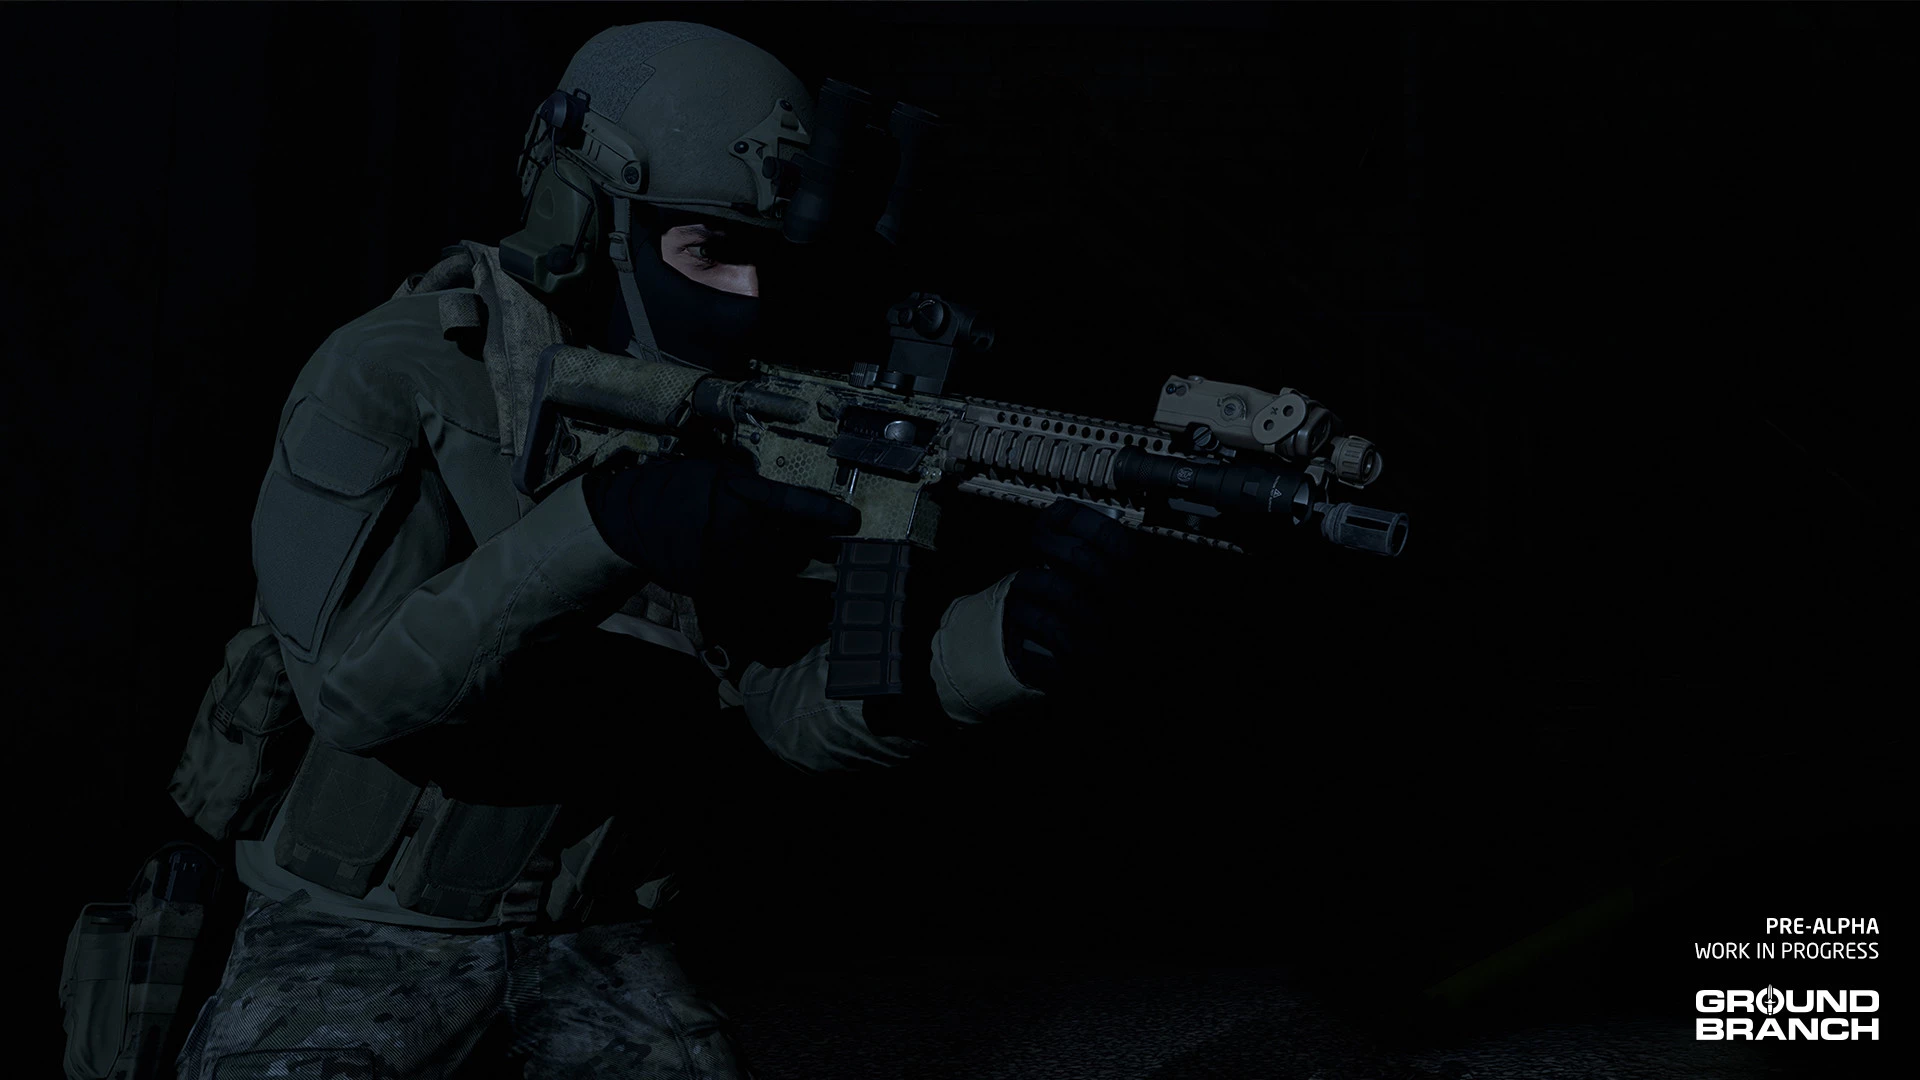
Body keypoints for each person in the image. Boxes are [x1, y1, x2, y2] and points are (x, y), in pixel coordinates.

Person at [170, 22, 1132, 1080]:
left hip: (593, 930)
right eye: (709, 251)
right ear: (588, 215)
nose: (749, 297)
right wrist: (606, 525)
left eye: (765, 258)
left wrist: (996, 647)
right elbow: (355, 694)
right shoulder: (397, 372)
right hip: (350, 929)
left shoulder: (733, 407)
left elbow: (788, 712)